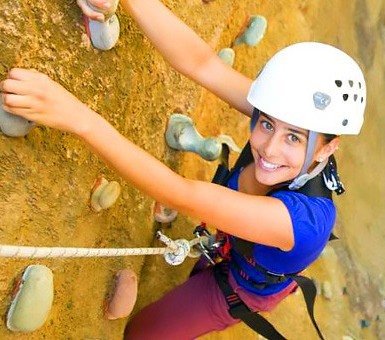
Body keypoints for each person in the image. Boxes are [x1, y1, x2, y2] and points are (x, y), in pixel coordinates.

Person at [0, 0, 366, 338]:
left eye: (294, 138)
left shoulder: (303, 224)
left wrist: (77, 117)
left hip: (240, 285)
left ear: (328, 148)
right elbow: (202, 64)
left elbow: (181, 193)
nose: (269, 148)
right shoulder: (288, 116)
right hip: (236, 241)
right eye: (266, 124)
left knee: (141, 333)